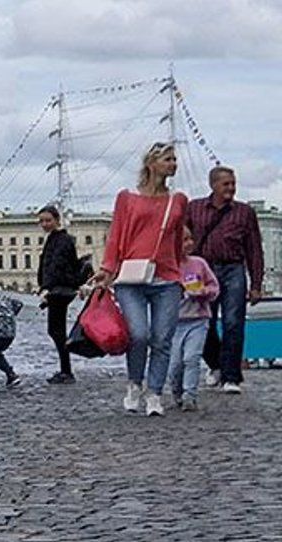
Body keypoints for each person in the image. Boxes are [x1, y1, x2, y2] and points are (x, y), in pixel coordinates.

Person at [95, 142, 187, 417]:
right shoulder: (127, 199)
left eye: (174, 159)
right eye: (168, 159)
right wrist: (107, 269)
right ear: (152, 163)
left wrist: (183, 273)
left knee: (162, 338)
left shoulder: (178, 201)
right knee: (139, 334)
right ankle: (135, 383)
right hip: (130, 277)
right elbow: (116, 235)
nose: (173, 164)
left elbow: (179, 239)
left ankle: (155, 393)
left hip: (167, 278)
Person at [185, 165, 265, 394]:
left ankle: (231, 377)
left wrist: (256, 284)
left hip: (233, 270)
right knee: (203, 322)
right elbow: (181, 238)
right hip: (203, 269)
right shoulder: (195, 208)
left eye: (233, 183)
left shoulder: (244, 212)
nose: (231, 188)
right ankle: (216, 364)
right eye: (226, 184)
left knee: (233, 322)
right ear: (213, 185)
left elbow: (254, 249)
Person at [168, 228, 220, 411]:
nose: (189, 243)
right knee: (175, 363)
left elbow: (214, 287)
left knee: (192, 357)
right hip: (173, 323)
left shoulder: (199, 263)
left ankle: (190, 394)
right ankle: (177, 392)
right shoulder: (167, 268)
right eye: (184, 240)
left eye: (190, 239)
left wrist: (203, 292)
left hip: (198, 320)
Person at [35, 205, 84, 383]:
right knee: (57, 331)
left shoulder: (62, 240)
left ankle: (67, 371)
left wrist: (46, 287)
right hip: (58, 289)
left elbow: (57, 266)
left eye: (48, 220)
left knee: (56, 330)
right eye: (41, 221)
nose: (44, 224)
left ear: (57, 220)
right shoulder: (55, 238)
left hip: (60, 290)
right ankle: (66, 369)